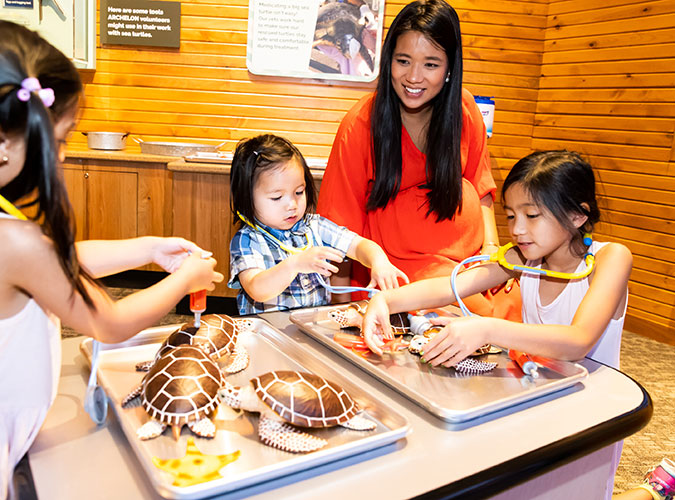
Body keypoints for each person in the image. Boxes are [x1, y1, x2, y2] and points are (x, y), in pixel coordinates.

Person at [0, 21, 223, 499]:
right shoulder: (14, 242)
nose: (59, 158)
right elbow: (111, 322)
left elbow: (60, 261)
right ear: (4, 145)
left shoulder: (11, 228)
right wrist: (186, 278)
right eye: (56, 142)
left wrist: (147, 247)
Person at [362, 150, 632, 499]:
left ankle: (653, 490)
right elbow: (450, 286)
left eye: (532, 215)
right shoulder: (523, 257)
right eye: (510, 215)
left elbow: (578, 340)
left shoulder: (611, 259)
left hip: (596, 417)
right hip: (544, 400)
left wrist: (486, 328)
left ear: (577, 215)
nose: (517, 229)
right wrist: (384, 300)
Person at [316, 0, 520, 320]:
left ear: (450, 67)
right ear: (388, 61)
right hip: (399, 274)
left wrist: (491, 249)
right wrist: (338, 312)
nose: (413, 77)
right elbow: (338, 229)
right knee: (465, 325)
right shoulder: (359, 125)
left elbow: (481, 188)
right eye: (403, 60)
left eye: (431, 64)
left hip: (470, 264)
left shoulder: (465, 110)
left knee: (515, 307)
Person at [228, 134, 408, 315]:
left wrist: (379, 262)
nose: (292, 205)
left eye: (299, 192)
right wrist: (294, 264)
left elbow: (359, 245)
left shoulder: (315, 226)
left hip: (311, 326)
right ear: (246, 198)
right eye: (277, 197)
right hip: (267, 333)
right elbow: (256, 289)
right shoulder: (247, 240)